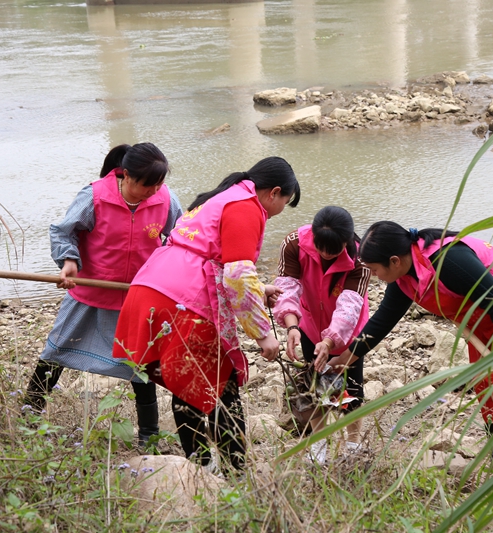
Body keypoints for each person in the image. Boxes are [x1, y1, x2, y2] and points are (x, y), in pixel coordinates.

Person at [320, 221, 493, 459]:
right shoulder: (404, 278)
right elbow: (382, 321)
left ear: (394, 261)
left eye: (375, 270)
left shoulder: (448, 260)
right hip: (485, 323)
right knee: (491, 389)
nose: (374, 276)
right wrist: (346, 357)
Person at [112, 156, 300, 472]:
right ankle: (235, 472)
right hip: (183, 300)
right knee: (221, 387)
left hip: (152, 287)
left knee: (184, 380)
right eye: (286, 201)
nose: (281, 208)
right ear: (274, 192)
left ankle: (197, 467)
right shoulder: (247, 206)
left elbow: (217, 261)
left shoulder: (223, 196)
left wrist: (259, 288)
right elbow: (238, 275)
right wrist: (263, 333)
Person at [24, 143, 183, 448]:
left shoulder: (165, 199)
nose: (154, 191)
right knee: (56, 351)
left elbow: (180, 238)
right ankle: (28, 414)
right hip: (89, 292)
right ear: (126, 176)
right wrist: (69, 261)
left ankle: (148, 435)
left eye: (159, 184)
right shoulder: (95, 196)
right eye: (147, 185)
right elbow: (63, 231)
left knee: (140, 365)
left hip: (137, 298)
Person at [273, 206, 371, 464]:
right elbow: (287, 288)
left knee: (350, 385)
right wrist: (292, 326)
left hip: (348, 329)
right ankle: (318, 443)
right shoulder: (294, 244)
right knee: (313, 379)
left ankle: (352, 442)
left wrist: (330, 342)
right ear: (313, 236)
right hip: (308, 322)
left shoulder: (361, 257)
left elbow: (350, 307)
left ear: (347, 241)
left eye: (334, 249)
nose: (326, 253)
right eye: (321, 247)